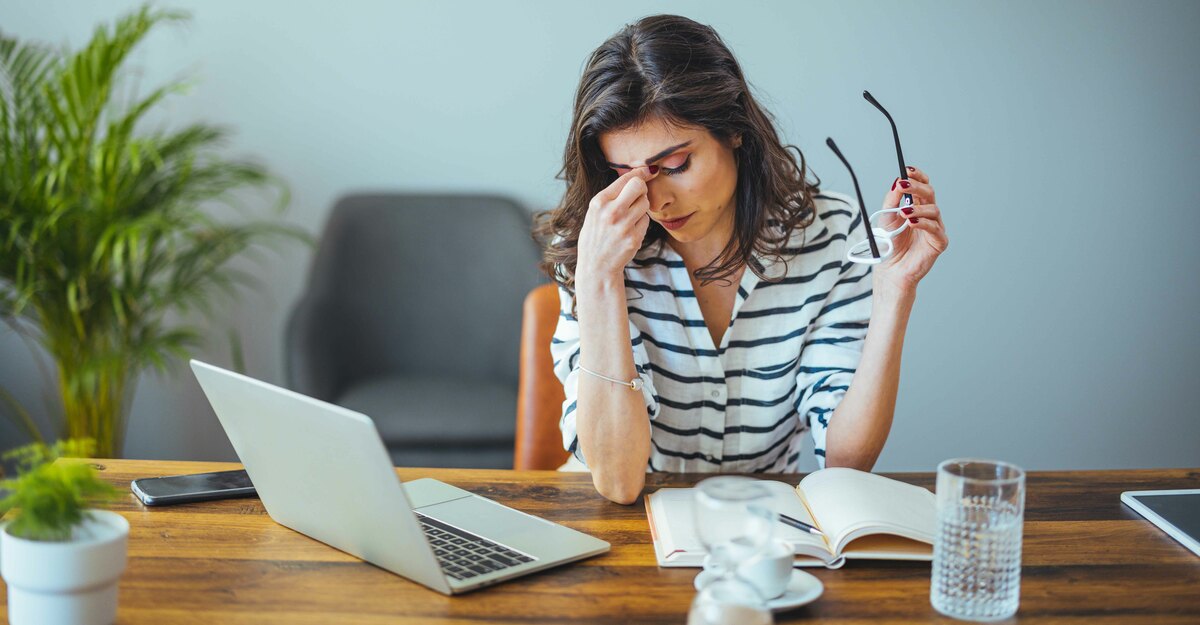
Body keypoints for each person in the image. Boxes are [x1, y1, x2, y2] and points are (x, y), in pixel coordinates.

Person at [535, 15, 948, 504]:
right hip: (620, 531)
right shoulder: (593, 248)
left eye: (675, 166)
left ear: (733, 130)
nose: (655, 201)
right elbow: (619, 481)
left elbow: (846, 461)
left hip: (764, 531)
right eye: (625, 174)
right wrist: (600, 280)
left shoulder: (830, 235)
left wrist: (895, 292)